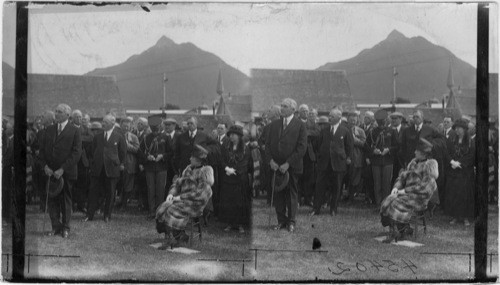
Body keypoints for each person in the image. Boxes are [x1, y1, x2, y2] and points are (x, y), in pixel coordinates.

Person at [380, 138, 438, 243]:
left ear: (424, 154)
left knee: (396, 202)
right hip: (408, 195)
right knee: (388, 199)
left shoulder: (429, 167)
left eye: (417, 151)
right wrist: (396, 188)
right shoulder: (413, 163)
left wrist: (405, 191)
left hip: (419, 199)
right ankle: (403, 229)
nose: (415, 152)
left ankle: (397, 231)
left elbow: (426, 188)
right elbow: (402, 178)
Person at [155, 145, 214, 246]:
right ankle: (178, 234)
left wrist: (180, 197)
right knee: (163, 207)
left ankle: (178, 236)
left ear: (199, 160)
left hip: (195, 204)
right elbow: (177, 184)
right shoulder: (188, 169)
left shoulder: (205, 173)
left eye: (192, 157)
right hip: (183, 200)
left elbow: (199, 195)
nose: (190, 158)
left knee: (172, 209)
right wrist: (171, 194)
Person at [38, 104, 82, 238]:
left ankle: (66, 228)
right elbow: (42, 151)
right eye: (56, 111)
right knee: (52, 200)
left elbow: (76, 153)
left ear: (67, 115)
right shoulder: (49, 129)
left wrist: (62, 169)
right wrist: (45, 166)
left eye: (60, 112)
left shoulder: (74, 130)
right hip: (50, 172)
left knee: (65, 200)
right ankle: (55, 227)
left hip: (66, 173)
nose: (56, 114)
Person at [265, 98, 307, 232]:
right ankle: (281, 221)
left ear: (293, 110)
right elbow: (267, 146)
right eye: (281, 106)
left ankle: (291, 222)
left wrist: (288, 163)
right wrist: (270, 161)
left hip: (292, 167)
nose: (281, 108)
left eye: (285, 106)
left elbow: (302, 148)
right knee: (278, 194)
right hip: (275, 166)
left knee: (291, 194)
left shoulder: (300, 125)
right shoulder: (274, 125)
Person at [310, 108, 353, 216]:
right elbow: (318, 145)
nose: (329, 118)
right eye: (329, 116)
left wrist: (345, 157)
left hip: (338, 164)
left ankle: (333, 209)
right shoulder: (324, 130)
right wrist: (320, 155)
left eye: (332, 116)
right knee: (319, 186)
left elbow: (349, 146)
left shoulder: (345, 130)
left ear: (339, 117)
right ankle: (316, 209)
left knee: (337, 187)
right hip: (324, 163)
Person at [85, 114, 126, 223]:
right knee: (93, 192)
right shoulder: (97, 136)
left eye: (106, 122)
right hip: (98, 169)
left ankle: (107, 215)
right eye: (103, 121)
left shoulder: (119, 136)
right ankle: (90, 214)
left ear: (112, 124)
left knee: (111, 192)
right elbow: (93, 151)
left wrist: (117, 163)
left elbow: (122, 152)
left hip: (112, 169)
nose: (103, 124)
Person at [218, 125, 252, 233]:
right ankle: (230, 223)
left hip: (240, 179)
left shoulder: (245, 148)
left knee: (239, 201)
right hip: (228, 178)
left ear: (239, 136)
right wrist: (226, 168)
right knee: (229, 201)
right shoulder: (225, 146)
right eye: (230, 135)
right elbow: (222, 158)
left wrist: (235, 170)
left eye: (233, 135)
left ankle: (240, 224)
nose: (231, 137)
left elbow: (245, 162)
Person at [139, 115, 172, 219]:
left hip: (162, 167)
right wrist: (146, 157)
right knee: (151, 189)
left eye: (156, 129)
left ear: (160, 126)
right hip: (150, 167)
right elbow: (140, 152)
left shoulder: (166, 138)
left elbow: (171, 152)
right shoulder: (146, 138)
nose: (155, 131)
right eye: (153, 129)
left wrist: (162, 156)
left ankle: (160, 212)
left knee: (160, 190)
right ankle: (151, 211)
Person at [444, 119, 475, 226]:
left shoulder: (470, 141)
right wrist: (452, 161)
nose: (457, 130)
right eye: (455, 128)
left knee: (464, 194)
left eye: (459, 128)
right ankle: (455, 216)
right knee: (454, 193)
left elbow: (471, 156)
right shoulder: (451, 139)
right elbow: (447, 152)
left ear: (464, 129)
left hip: (465, 172)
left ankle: (465, 217)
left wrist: (460, 163)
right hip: (453, 171)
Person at [366, 109, 398, 206]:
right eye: (380, 122)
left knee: (386, 184)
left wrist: (388, 150)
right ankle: (378, 203)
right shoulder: (372, 132)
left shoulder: (392, 131)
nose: (382, 124)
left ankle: (386, 204)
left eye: (383, 122)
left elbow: (397, 146)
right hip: (376, 161)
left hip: (388, 161)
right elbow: (366, 146)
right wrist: (373, 151)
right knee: (377, 184)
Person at [297, 104, 320, 207]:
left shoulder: (312, 122)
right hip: (298, 153)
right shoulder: (295, 122)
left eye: (307, 111)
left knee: (309, 178)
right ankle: (297, 200)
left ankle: (308, 199)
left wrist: (306, 133)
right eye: (303, 111)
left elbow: (317, 132)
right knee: (298, 177)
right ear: (299, 112)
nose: (306, 113)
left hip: (309, 154)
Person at [72, 109, 93, 214]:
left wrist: (78, 139)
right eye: (77, 117)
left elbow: (91, 138)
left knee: (82, 183)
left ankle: (81, 205)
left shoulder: (85, 128)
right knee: (71, 183)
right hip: (72, 160)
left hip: (83, 161)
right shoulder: (69, 127)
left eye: (80, 117)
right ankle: (71, 205)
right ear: (72, 118)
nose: (79, 119)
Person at [117, 117, 139, 209]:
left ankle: (124, 203)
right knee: (118, 183)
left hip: (129, 164)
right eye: (124, 126)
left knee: (128, 184)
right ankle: (118, 201)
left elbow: (137, 149)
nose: (126, 128)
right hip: (117, 163)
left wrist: (126, 144)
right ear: (120, 126)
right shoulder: (116, 135)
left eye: (128, 126)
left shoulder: (133, 137)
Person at [346, 111, 366, 203]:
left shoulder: (360, 131)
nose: (352, 122)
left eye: (354, 120)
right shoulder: (343, 129)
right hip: (345, 157)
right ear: (347, 120)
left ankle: (351, 197)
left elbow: (364, 144)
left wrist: (354, 139)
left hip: (356, 157)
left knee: (354, 178)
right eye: (351, 120)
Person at [163, 118, 181, 194]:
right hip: (164, 165)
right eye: (165, 125)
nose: (167, 127)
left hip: (175, 166)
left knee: (175, 185)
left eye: (169, 125)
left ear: (174, 126)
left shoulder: (179, 136)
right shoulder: (161, 136)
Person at [389, 112, 406, 186]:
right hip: (391, 159)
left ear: (401, 119)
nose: (393, 120)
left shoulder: (406, 130)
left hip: (402, 159)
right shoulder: (388, 130)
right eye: (392, 118)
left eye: (395, 118)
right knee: (392, 179)